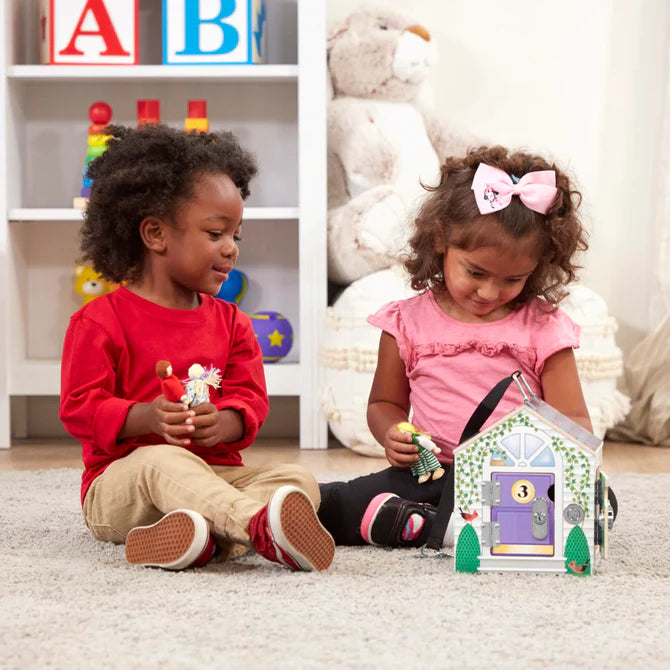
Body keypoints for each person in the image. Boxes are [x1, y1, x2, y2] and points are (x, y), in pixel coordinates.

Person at [59, 124, 334, 572]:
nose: (231, 250)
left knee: (297, 480)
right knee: (161, 460)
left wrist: (224, 423)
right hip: (123, 487)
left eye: (236, 236)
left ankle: (203, 542)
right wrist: (142, 416)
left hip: (211, 476)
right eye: (215, 234)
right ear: (155, 234)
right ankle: (257, 528)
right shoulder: (98, 321)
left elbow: (250, 399)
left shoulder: (232, 323)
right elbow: (77, 407)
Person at [318, 144, 592, 548]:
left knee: (595, 506)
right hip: (430, 474)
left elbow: (576, 427)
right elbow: (384, 404)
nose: (489, 291)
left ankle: (424, 526)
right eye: (476, 272)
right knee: (333, 501)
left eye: (513, 279)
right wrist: (393, 432)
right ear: (442, 238)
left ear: (538, 266)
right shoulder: (405, 322)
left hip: (515, 482)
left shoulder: (544, 328)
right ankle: (436, 523)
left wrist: (539, 467)